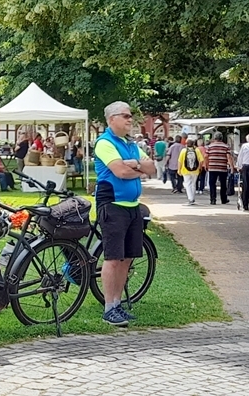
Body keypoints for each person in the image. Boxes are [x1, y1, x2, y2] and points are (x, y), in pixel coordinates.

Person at [93, 101, 155, 326]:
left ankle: (118, 304)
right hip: (112, 204)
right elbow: (119, 171)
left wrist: (136, 164)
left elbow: (153, 168)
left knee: (127, 257)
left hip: (132, 206)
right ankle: (109, 307)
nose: (130, 120)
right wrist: (139, 169)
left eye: (131, 116)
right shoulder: (104, 143)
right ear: (111, 119)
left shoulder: (129, 145)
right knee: (113, 258)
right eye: (126, 116)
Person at [205, 132, 234, 204]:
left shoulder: (209, 147)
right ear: (222, 138)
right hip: (222, 167)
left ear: (214, 138)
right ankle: (223, 199)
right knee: (223, 184)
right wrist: (232, 167)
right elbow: (229, 157)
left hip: (212, 167)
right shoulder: (226, 147)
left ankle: (213, 199)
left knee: (212, 184)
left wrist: (206, 165)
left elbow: (206, 156)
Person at [177, 136, 204, 205]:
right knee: (193, 184)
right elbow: (201, 160)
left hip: (185, 170)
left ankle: (190, 199)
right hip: (195, 170)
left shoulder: (183, 151)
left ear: (186, 143)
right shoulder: (197, 150)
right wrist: (200, 168)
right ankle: (192, 198)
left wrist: (179, 170)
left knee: (188, 184)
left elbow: (180, 161)